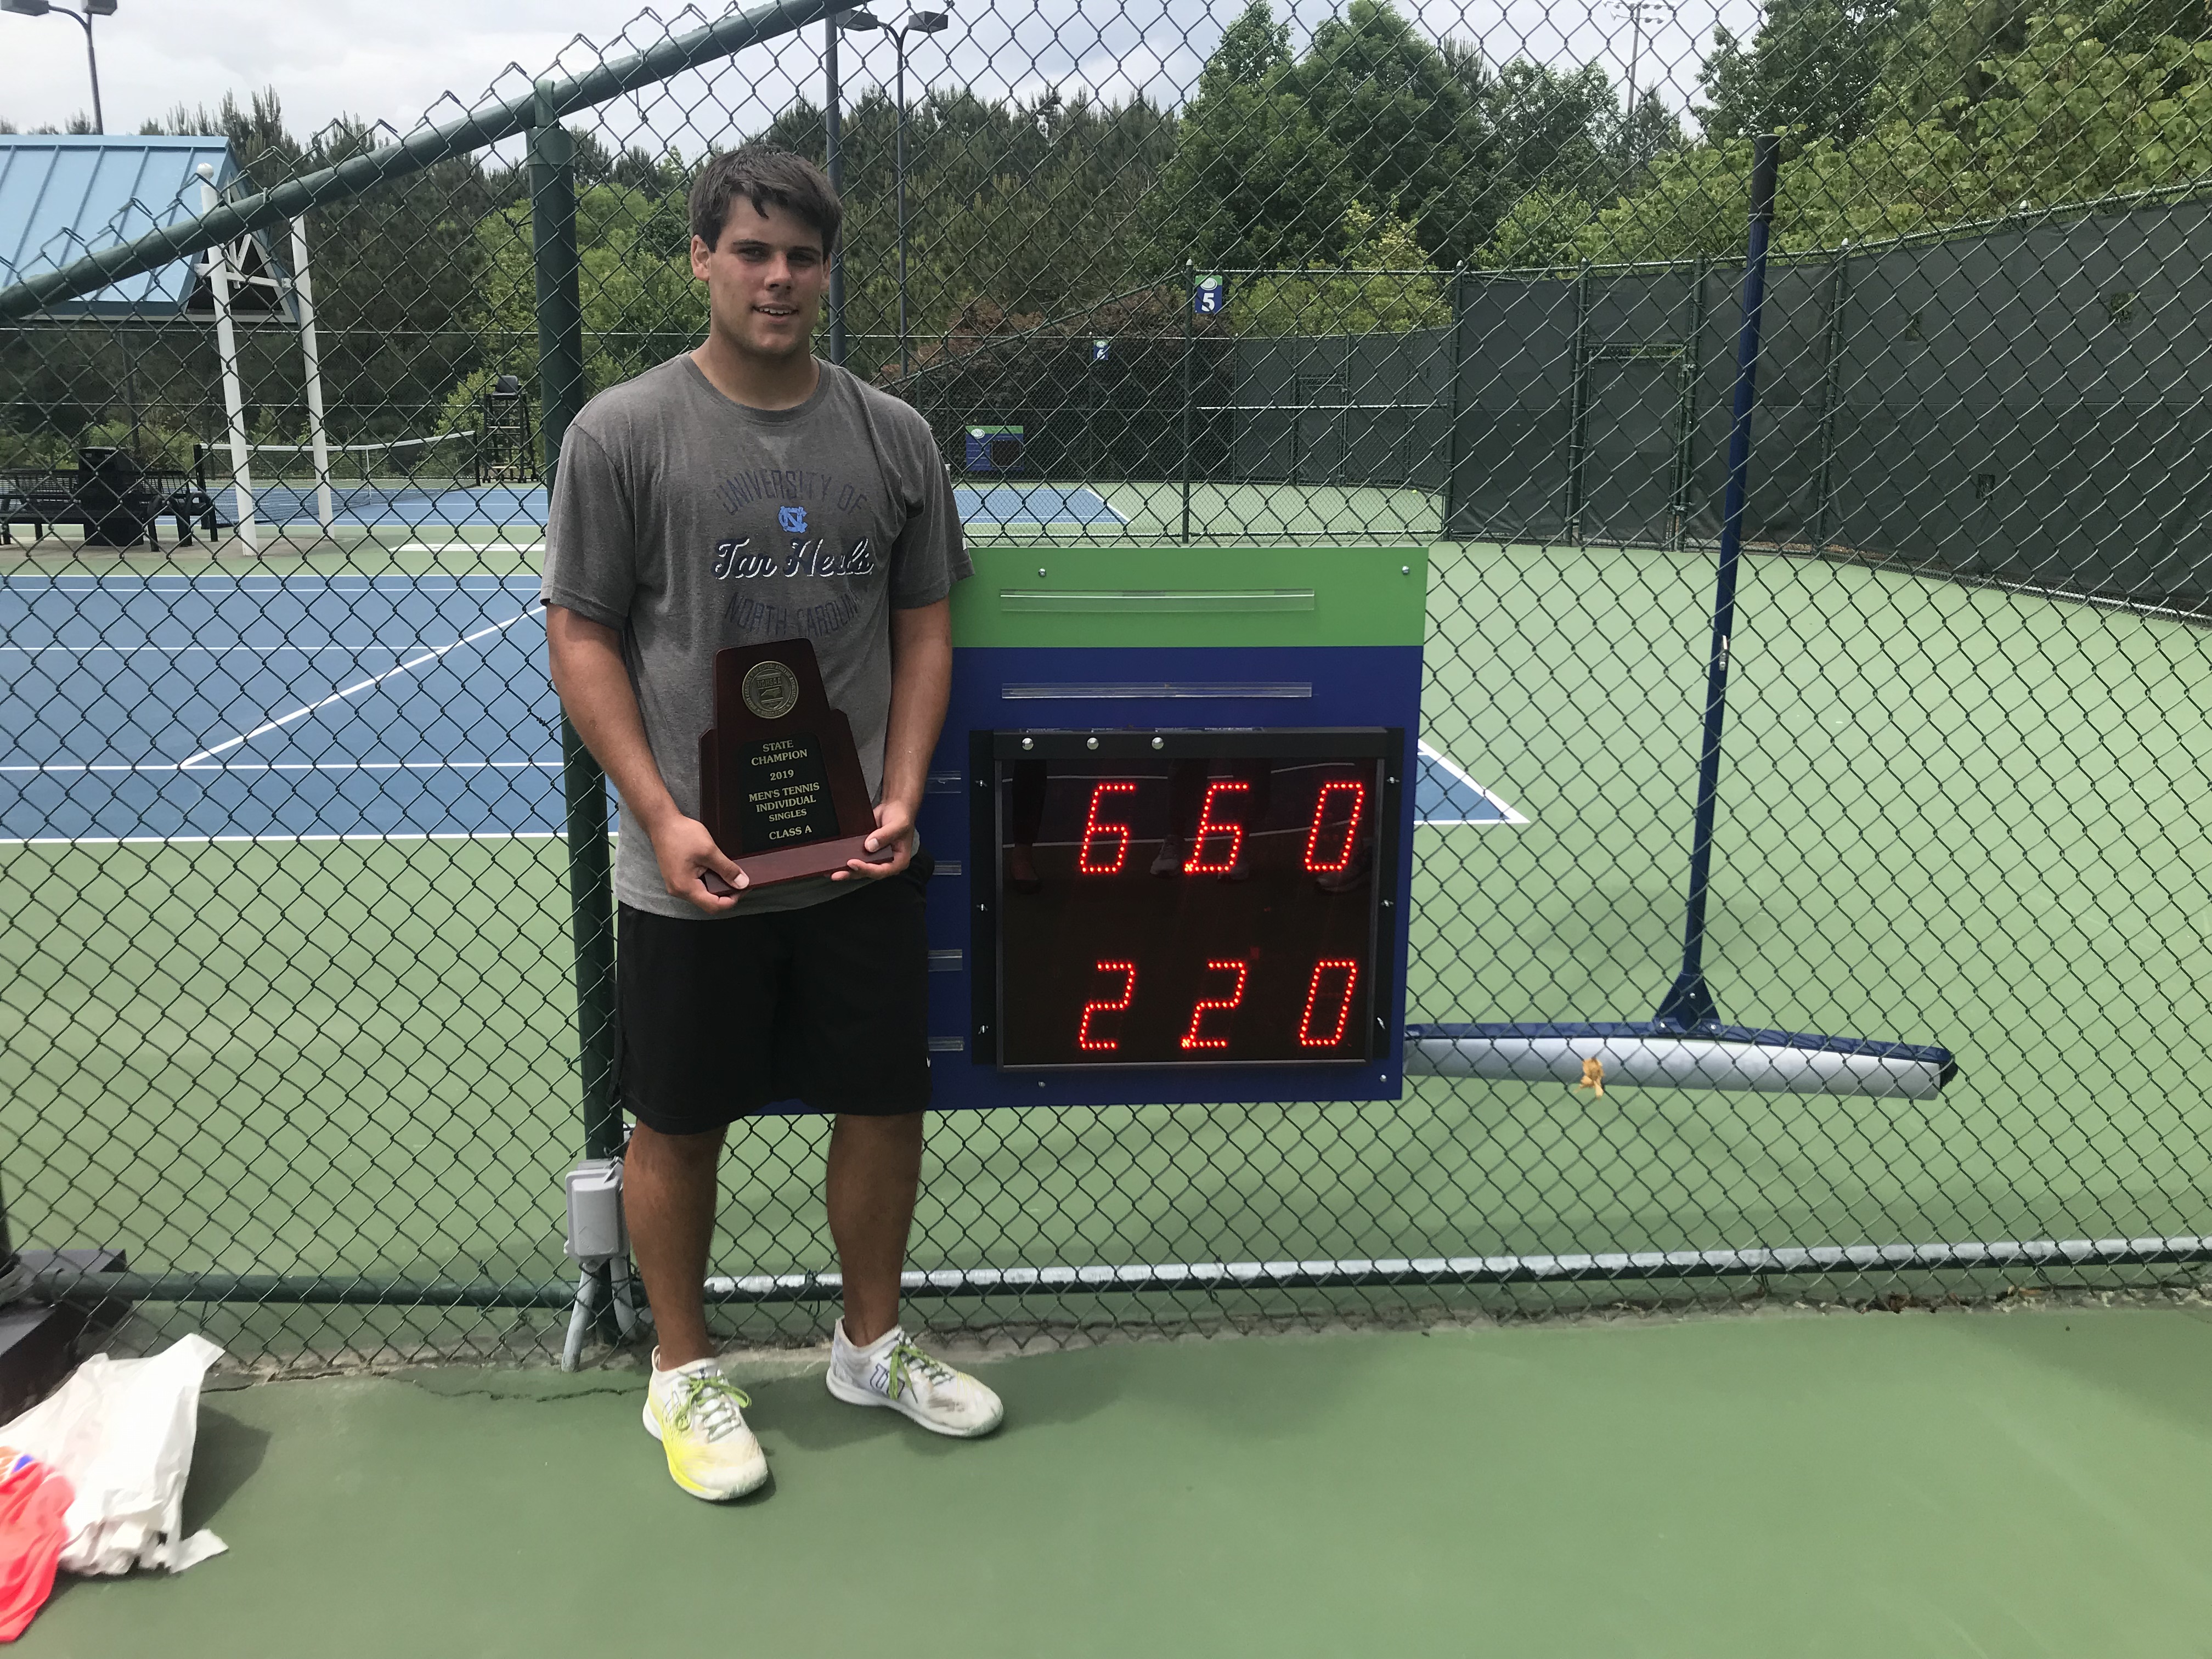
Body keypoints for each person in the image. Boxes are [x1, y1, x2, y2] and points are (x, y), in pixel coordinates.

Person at [541, 146, 1002, 1503]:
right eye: (751, 250)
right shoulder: (621, 434)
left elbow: (926, 629)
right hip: (695, 869)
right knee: (679, 1123)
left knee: (885, 1105)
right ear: (703, 260)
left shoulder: (894, 436)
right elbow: (581, 637)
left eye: (802, 255)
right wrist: (662, 815)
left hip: (859, 858)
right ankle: (682, 1371)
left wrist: (902, 792)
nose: (779, 277)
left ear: (826, 269)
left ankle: (870, 1347)